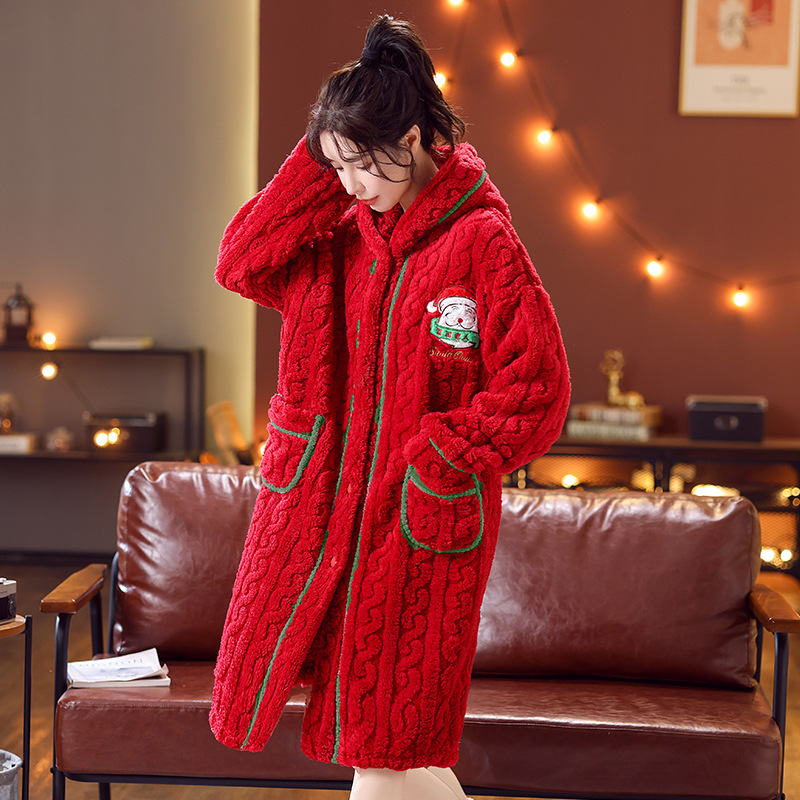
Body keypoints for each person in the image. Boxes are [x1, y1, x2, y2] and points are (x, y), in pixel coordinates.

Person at [210, 15, 570, 800]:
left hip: (417, 521)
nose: (350, 186)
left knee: (384, 737)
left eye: (362, 163)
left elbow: (537, 390)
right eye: (335, 168)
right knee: (389, 750)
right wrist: (325, 153)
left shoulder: (481, 241)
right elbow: (240, 262)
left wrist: (439, 457)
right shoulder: (336, 238)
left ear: (411, 138)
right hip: (316, 507)